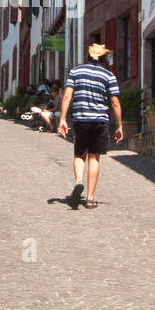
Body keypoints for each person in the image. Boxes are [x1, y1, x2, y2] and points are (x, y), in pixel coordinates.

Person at [59, 43, 123, 208]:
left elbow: (67, 96)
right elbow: (115, 102)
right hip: (100, 121)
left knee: (80, 154)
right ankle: (90, 198)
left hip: (81, 120)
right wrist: (119, 125)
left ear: (88, 56)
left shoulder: (75, 72)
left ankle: (79, 181)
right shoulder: (109, 75)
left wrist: (63, 119)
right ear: (104, 59)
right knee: (94, 157)